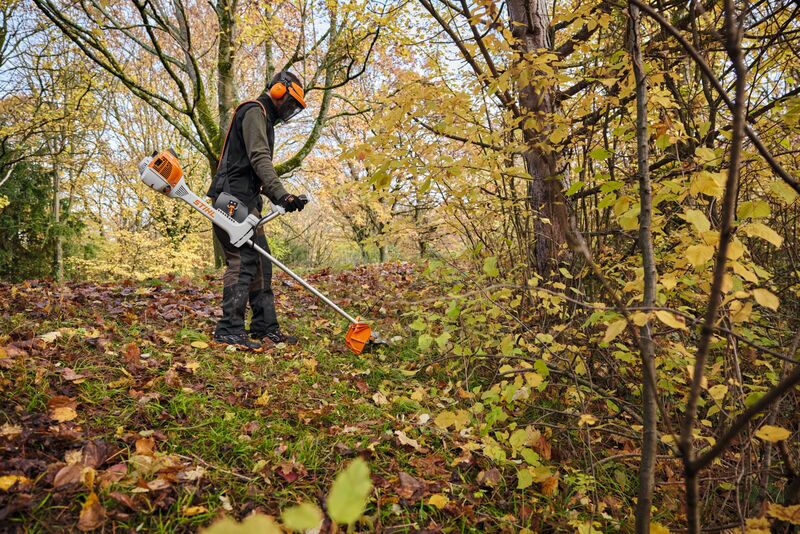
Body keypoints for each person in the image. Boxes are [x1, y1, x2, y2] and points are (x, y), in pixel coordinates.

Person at [206, 70, 308, 350]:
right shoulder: (254, 110)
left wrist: (282, 198)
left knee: (262, 261)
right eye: (289, 102)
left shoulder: (265, 120)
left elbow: (255, 171)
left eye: (294, 107)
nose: (289, 110)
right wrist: (280, 193)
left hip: (247, 202)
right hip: (230, 199)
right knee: (242, 260)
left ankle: (265, 329)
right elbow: (258, 158)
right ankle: (229, 329)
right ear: (277, 90)